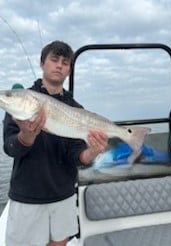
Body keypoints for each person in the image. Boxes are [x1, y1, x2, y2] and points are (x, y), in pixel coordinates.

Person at [3, 40, 108, 246]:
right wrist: (27, 136)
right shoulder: (21, 100)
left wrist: (92, 152)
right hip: (28, 194)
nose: (59, 65)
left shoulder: (76, 108)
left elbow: (76, 154)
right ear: (42, 64)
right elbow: (9, 147)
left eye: (65, 62)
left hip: (63, 194)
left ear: (69, 70)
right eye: (54, 59)